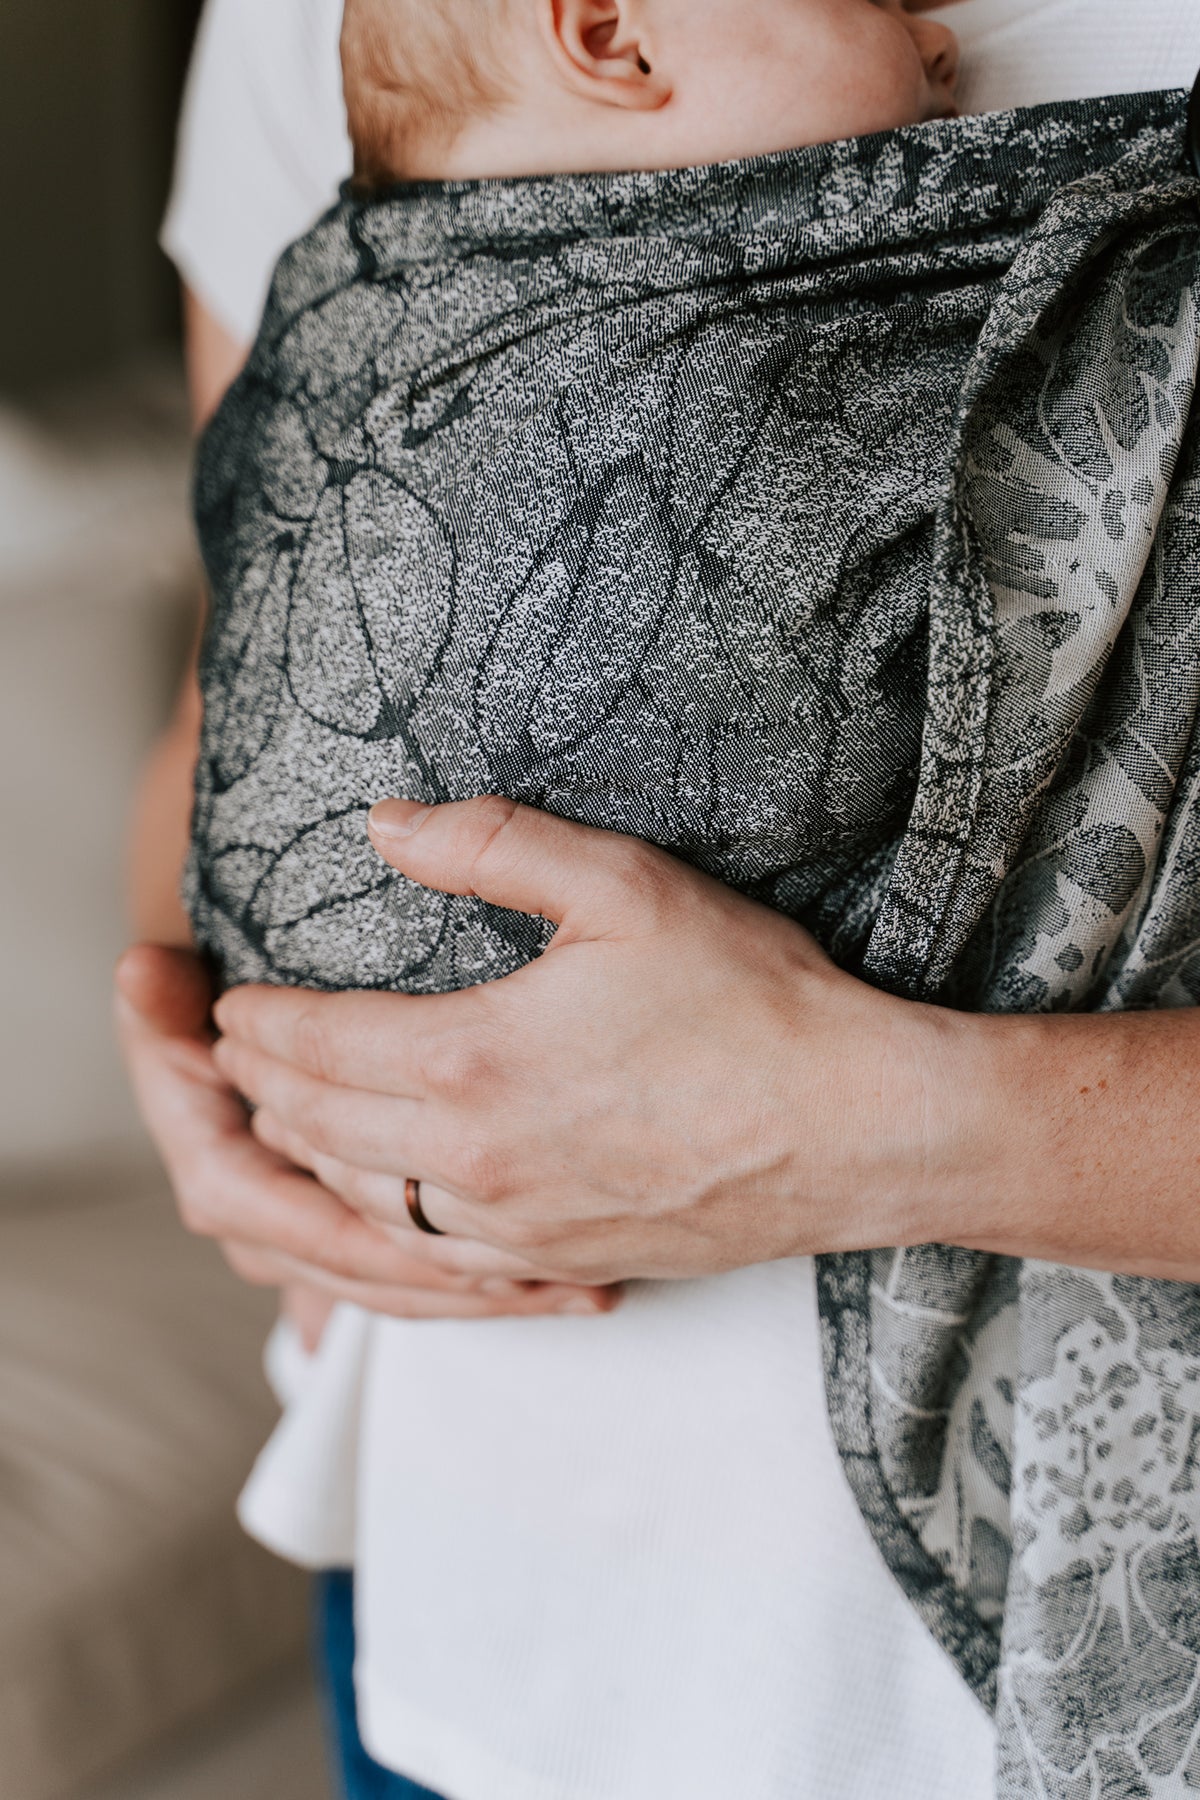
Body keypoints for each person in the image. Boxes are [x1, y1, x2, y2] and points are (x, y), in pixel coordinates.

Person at [118, 2, 1199, 1797]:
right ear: (603, 31)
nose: (940, 42)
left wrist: (879, 1125)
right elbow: (258, 652)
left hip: (1020, 1698)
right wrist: (200, 1039)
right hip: (501, 1622)